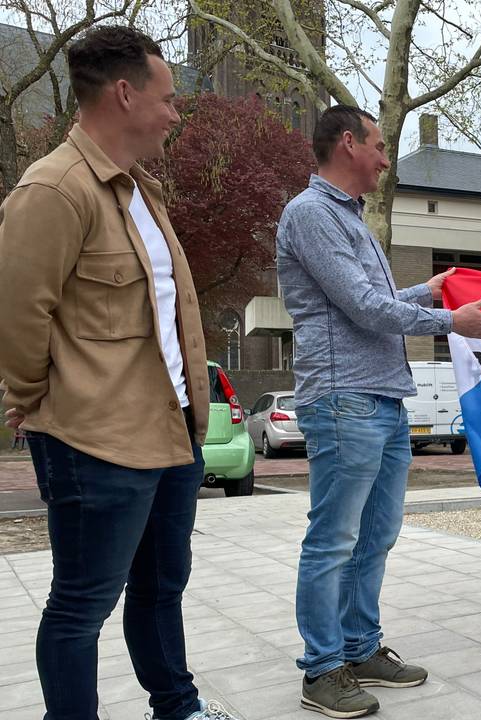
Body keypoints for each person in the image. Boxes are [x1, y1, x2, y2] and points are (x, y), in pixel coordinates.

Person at [0, 26, 242, 720]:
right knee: (81, 604)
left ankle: (178, 707)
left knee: (163, 586)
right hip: (94, 442)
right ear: (125, 93)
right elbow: (17, 316)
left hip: (173, 436)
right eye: (167, 99)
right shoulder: (52, 189)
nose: (175, 112)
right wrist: (35, 400)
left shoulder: (142, 192)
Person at [278, 104, 481, 718]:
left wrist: (431, 292)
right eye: (378, 146)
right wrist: (449, 319)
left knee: (376, 534)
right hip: (344, 398)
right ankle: (322, 669)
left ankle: (359, 646)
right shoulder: (311, 215)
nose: (384, 158)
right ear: (347, 143)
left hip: (381, 395)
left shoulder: (348, 219)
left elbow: (375, 301)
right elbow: (363, 308)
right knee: (334, 539)